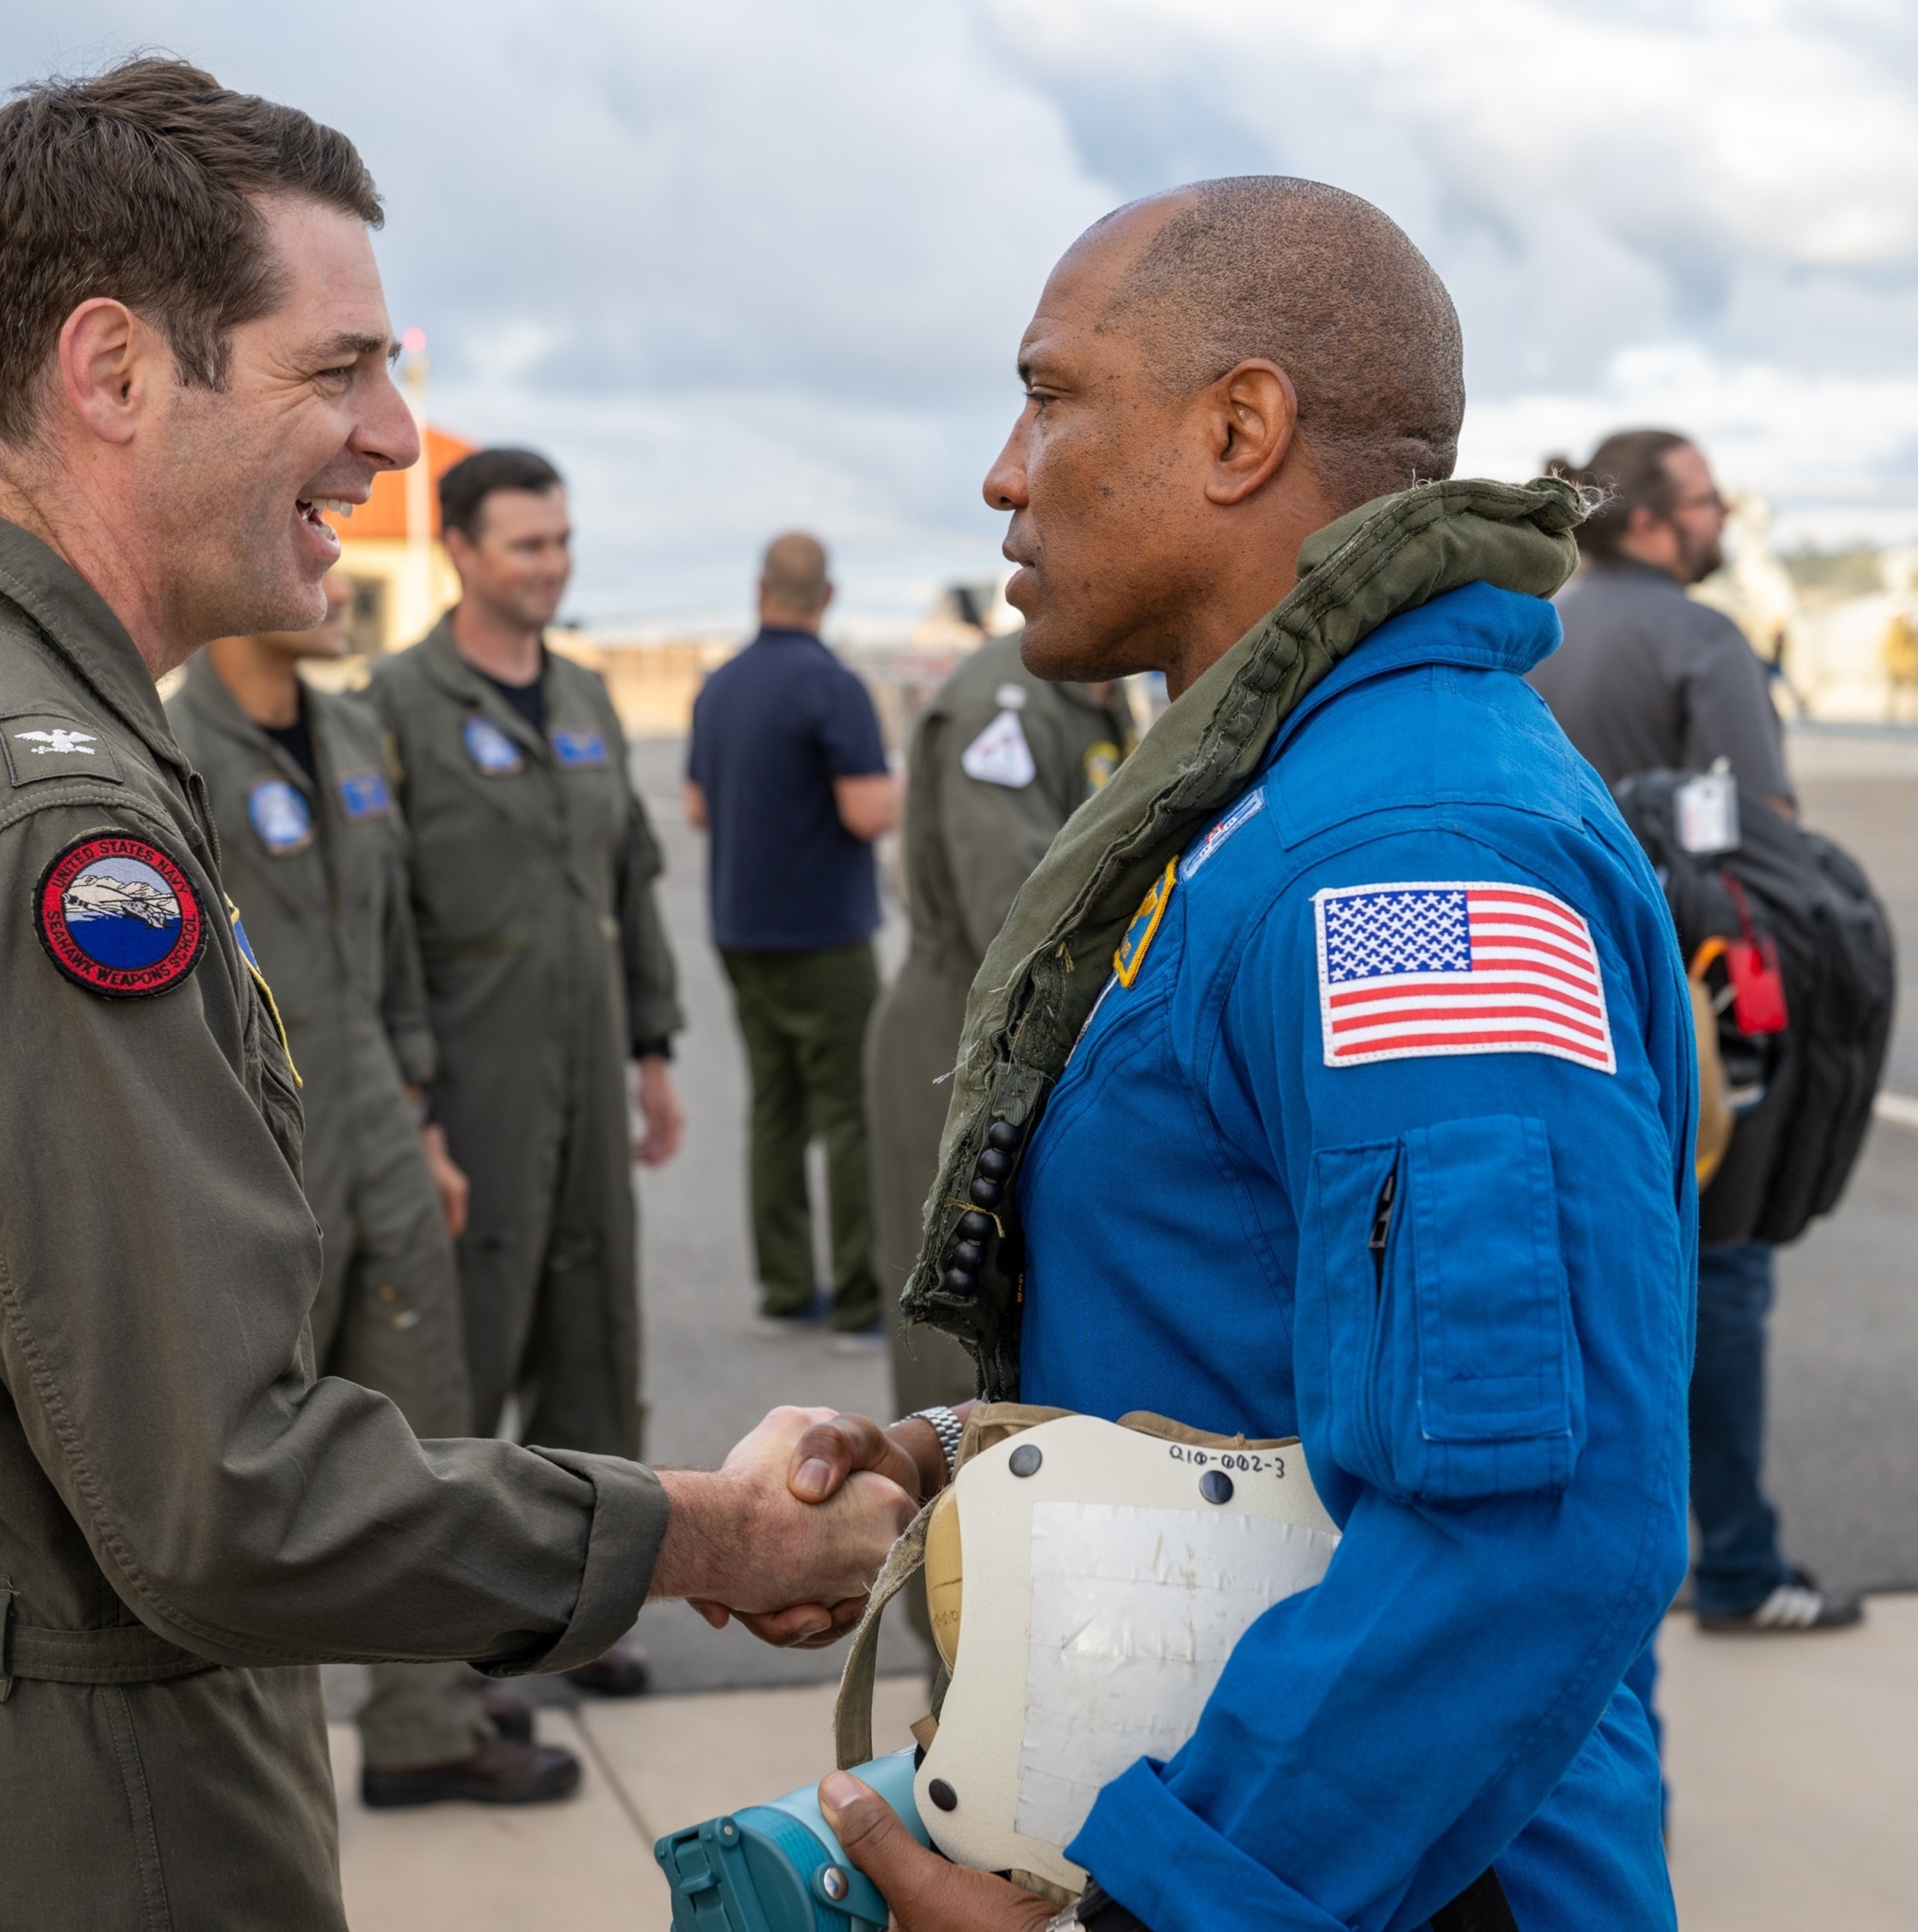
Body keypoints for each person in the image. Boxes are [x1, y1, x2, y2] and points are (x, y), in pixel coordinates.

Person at [0, 61, 913, 1925]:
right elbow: (217, 1491)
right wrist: (702, 1532)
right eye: (334, 369)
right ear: (112, 371)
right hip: (72, 1815)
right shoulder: (42, 818)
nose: (396, 435)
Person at [794, 178, 1693, 1931]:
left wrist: (1175, 1908)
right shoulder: (1261, 809)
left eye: (1049, 394)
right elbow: (1264, 1317)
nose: (1000, 468)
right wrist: (969, 1447)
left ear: (1234, 430)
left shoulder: (1403, 852)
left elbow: (1519, 1524)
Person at [166, 575, 576, 1806]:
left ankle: (423, 1721)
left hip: (378, 1129)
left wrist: (420, 1120)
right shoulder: (172, 749)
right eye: (310, 544)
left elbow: (390, 950)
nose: (336, 579)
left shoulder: (349, 731)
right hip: (249, 1144)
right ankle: (238, 1765)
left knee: (426, 1420)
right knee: (241, 1461)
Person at [361, 448, 685, 1697]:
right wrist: (412, 1100)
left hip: (588, 1070)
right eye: (525, 545)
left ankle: (584, 1611)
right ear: (459, 550)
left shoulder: (590, 699)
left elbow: (630, 882)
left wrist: (652, 1049)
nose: (550, 566)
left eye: (561, 542)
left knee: (594, 1335)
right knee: (470, 1354)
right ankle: (459, 1637)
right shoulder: (391, 704)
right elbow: (375, 918)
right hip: (471, 1080)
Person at [1532, 429, 1859, 1636]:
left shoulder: (1539, 621)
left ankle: (1586, 1562)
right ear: (1659, 522)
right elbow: (1762, 833)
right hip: (1685, 1013)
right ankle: (1738, 1560)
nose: (1725, 518)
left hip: (1544, 1002)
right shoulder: (1699, 640)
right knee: (1723, 1273)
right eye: (1711, 499)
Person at [867, 632, 1130, 1416]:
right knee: (964, 1348)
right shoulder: (1003, 706)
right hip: (969, 1044)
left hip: (1041, 1044)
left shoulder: (1096, 685)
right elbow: (1016, 924)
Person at [683, 534, 900, 1340]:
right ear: (828, 596)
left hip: (740, 925)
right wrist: (913, 782)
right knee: (848, 1111)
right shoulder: (833, 685)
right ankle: (857, 1296)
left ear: (760, 588)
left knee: (775, 1108)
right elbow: (867, 811)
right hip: (824, 932)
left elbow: (700, 809)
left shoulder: (718, 687)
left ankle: (784, 1287)